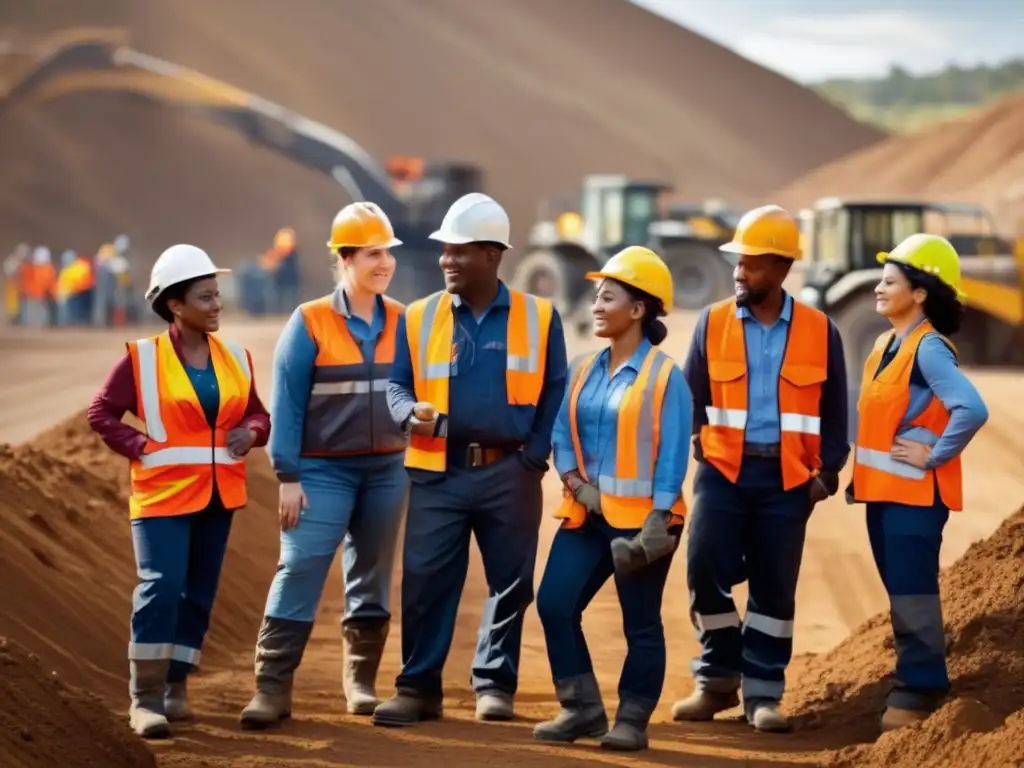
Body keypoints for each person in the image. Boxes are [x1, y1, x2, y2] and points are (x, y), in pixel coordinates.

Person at [375, 192, 568, 727]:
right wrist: (406, 412)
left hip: (511, 471)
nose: (446, 261)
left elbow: (556, 390)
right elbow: (397, 385)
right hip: (439, 469)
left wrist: (533, 456)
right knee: (424, 579)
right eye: (444, 251)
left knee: (511, 582)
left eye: (459, 251)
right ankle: (418, 688)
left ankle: (494, 684)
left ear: (492, 255)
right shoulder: (418, 318)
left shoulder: (539, 316)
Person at [674, 205, 849, 733]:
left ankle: (763, 692)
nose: (739, 272)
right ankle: (717, 678)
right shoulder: (714, 321)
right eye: (738, 262)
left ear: (779, 269)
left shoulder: (821, 330)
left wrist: (828, 472)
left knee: (775, 587)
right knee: (704, 568)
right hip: (723, 471)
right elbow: (690, 397)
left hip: (789, 481)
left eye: (750, 263)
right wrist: (699, 441)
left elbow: (837, 410)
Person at [86, 244, 270, 739]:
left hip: (218, 497)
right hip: (162, 496)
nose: (217, 304)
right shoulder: (142, 358)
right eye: (206, 296)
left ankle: (176, 687)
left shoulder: (235, 357)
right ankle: (144, 699)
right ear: (175, 304)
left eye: (217, 295)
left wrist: (251, 431)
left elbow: (259, 414)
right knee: (161, 589)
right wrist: (137, 443)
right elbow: (100, 413)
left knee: (197, 595)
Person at [240, 203, 410, 729]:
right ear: (346, 258)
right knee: (301, 564)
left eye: (388, 253)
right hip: (320, 472)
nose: (385, 264)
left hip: (387, 470)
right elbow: (286, 404)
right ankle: (271, 689)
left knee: (373, 572)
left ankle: (360, 682)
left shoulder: (405, 321)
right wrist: (287, 475)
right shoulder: (309, 321)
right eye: (374, 253)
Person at [533, 246, 691, 752]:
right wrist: (578, 485)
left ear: (639, 309)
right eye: (597, 297)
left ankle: (633, 719)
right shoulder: (583, 369)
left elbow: (671, 453)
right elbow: (561, 432)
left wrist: (659, 517)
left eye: (608, 297)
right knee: (555, 603)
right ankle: (580, 708)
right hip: (587, 513)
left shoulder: (666, 377)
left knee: (639, 622)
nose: (596, 305)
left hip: (646, 523)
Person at [849, 233, 988, 733]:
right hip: (884, 496)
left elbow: (971, 408)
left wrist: (936, 454)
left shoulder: (928, 349)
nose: (878, 290)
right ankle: (915, 682)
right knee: (900, 591)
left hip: (914, 499)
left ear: (922, 292)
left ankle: (921, 690)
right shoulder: (887, 344)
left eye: (890, 281)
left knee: (913, 592)